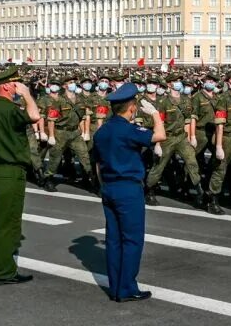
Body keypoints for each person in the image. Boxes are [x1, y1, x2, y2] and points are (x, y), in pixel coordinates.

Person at [91, 81, 166, 302]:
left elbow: (96, 164)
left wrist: (103, 185)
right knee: (132, 240)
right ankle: (127, 288)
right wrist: (155, 115)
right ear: (132, 108)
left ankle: (116, 287)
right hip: (128, 189)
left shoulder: (102, 131)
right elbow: (160, 136)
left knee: (114, 240)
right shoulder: (129, 130)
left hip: (109, 187)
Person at [0, 65, 41, 286]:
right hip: (9, 172)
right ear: (5, 86)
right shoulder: (9, 109)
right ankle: (4, 271)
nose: (17, 87)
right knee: (8, 222)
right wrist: (27, 94)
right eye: (14, 83)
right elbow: (34, 115)